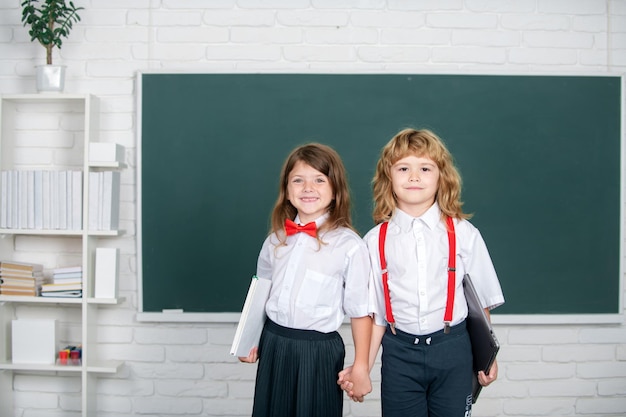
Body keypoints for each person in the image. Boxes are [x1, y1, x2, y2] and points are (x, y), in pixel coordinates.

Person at [339, 128, 505, 415]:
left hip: (454, 349)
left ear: (442, 177)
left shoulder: (463, 234)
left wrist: (486, 356)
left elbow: (480, 304)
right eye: (403, 168)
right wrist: (362, 367)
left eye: (425, 168)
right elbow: (376, 314)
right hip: (399, 353)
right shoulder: (375, 241)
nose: (414, 177)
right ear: (388, 178)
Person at [239, 142, 372, 417]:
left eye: (319, 180)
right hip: (274, 342)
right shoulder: (275, 240)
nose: (308, 188)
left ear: (336, 191)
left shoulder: (350, 246)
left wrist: (361, 366)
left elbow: (361, 311)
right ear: (287, 192)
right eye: (298, 180)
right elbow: (260, 294)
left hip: (319, 352)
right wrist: (247, 340)